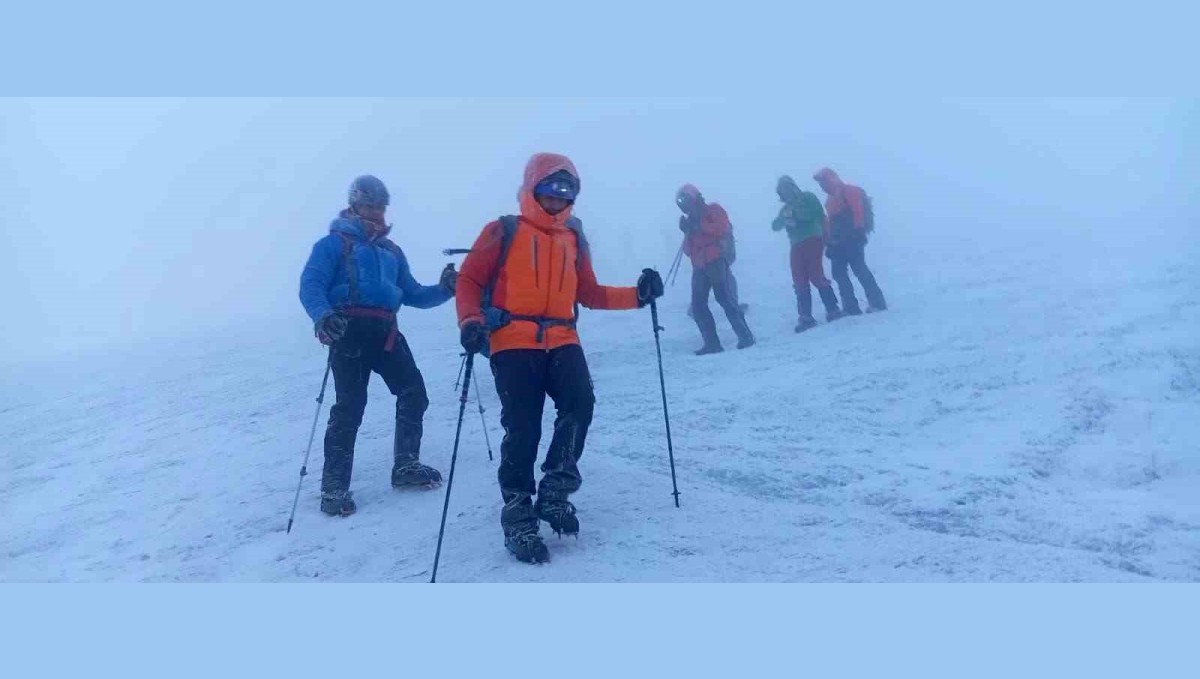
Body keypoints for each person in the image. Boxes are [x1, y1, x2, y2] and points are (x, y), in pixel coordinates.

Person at [456, 153, 663, 564]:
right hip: (512, 340)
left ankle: (555, 489)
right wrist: (470, 321)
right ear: (533, 185)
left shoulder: (572, 237)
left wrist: (637, 297)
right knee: (523, 427)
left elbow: (589, 292)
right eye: (551, 187)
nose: (558, 196)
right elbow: (469, 279)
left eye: (567, 190)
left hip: (563, 336)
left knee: (579, 404)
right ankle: (518, 513)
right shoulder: (504, 229)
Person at [299, 175, 457, 517]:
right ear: (354, 205)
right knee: (350, 408)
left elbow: (413, 294)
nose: (376, 213)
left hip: (385, 332)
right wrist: (323, 316)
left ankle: (406, 465)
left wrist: (445, 288)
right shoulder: (333, 245)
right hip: (348, 331)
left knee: (414, 392)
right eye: (370, 206)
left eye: (380, 207)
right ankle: (334, 488)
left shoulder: (391, 251)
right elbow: (311, 285)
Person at [676, 184, 754, 354]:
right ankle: (712, 343)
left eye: (687, 200)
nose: (686, 206)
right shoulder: (691, 221)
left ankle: (745, 336)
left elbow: (720, 228)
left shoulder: (713, 210)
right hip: (699, 266)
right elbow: (688, 251)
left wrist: (698, 226)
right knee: (698, 305)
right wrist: (687, 232)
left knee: (725, 299)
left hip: (716, 260)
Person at [772, 175, 844, 332]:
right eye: (782, 190)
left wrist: (794, 217)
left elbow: (815, 212)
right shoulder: (785, 209)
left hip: (813, 238)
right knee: (799, 279)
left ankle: (833, 309)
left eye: (787, 188)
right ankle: (806, 316)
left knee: (816, 274)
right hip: (796, 244)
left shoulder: (807, 197)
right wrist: (785, 219)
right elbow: (775, 225)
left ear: (793, 186)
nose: (786, 192)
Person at [813, 168, 888, 314]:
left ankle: (876, 302)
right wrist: (828, 241)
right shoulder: (830, 200)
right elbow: (831, 223)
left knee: (858, 268)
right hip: (839, 241)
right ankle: (851, 306)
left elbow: (858, 210)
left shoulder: (849, 191)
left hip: (852, 238)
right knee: (839, 272)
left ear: (832, 178)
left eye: (824, 181)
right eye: (820, 183)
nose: (822, 185)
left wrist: (859, 231)